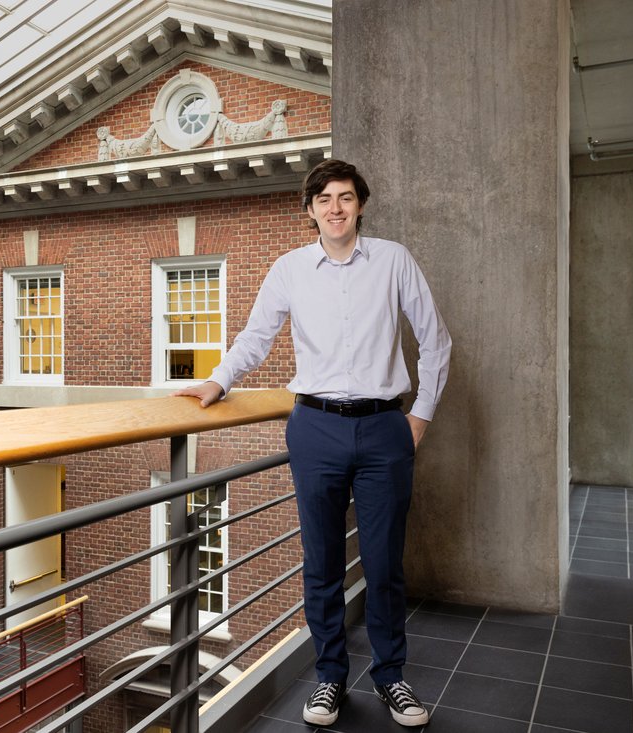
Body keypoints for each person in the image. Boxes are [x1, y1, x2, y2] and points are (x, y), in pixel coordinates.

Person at [174, 159, 451, 727]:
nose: (335, 208)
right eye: (324, 199)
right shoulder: (290, 270)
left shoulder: (394, 260)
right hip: (315, 429)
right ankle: (329, 679)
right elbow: (255, 337)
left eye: (345, 197)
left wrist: (418, 416)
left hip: (383, 429)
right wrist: (218, 381)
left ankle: (392, 678)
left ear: (361, 205)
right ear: (310, 210)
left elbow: (436, 339)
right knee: (321, 562)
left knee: (383, 564)